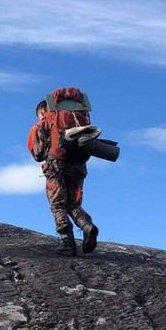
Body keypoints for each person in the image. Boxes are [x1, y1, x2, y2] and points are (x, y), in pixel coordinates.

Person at [28, 98, 99, 256]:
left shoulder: (41, 125)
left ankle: (68, 244)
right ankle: (88, 226)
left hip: (56, 168)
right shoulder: (77, 122)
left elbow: (38, 154)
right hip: (79, 168)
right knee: (73, 204)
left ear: (42, 112)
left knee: (58, 205)